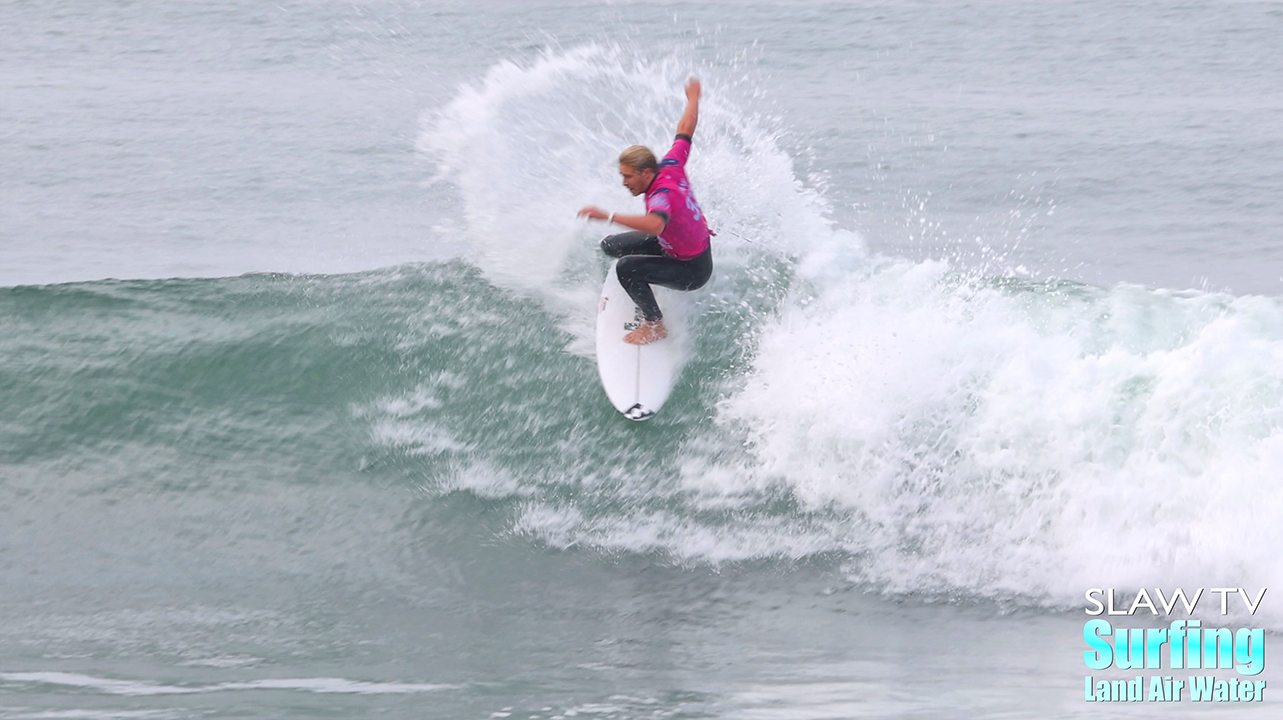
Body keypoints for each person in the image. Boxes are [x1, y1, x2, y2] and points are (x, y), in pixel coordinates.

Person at [578, 78, 713, 345]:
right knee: (610, 246)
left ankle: (654, 326)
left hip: (692, 270)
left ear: (646, 172)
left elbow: (654, 225)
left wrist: (608, 216)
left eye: (628, 177)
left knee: (626, 268)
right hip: (675, 245)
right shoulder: (671, 162)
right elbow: (686, 129)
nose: (624, 182)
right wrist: (693, 98)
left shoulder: (661, 196)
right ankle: (646, 281)